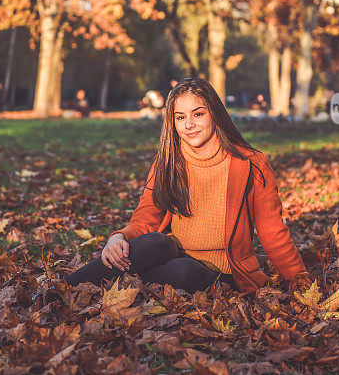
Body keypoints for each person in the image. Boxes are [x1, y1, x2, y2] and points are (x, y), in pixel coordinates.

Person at [65, 77, 311, 294]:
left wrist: (300, 280)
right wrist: (119, 237)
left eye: (198, 114)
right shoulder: (168, 162)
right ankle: (65, 288)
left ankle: (119, 285)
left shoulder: (252, 165)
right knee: (155, 242)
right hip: (174, 252)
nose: (189, 124)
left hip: (221, 272)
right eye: (180, 117)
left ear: (214, 113)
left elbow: (273, 231)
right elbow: (147, 217)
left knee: (184, 272)